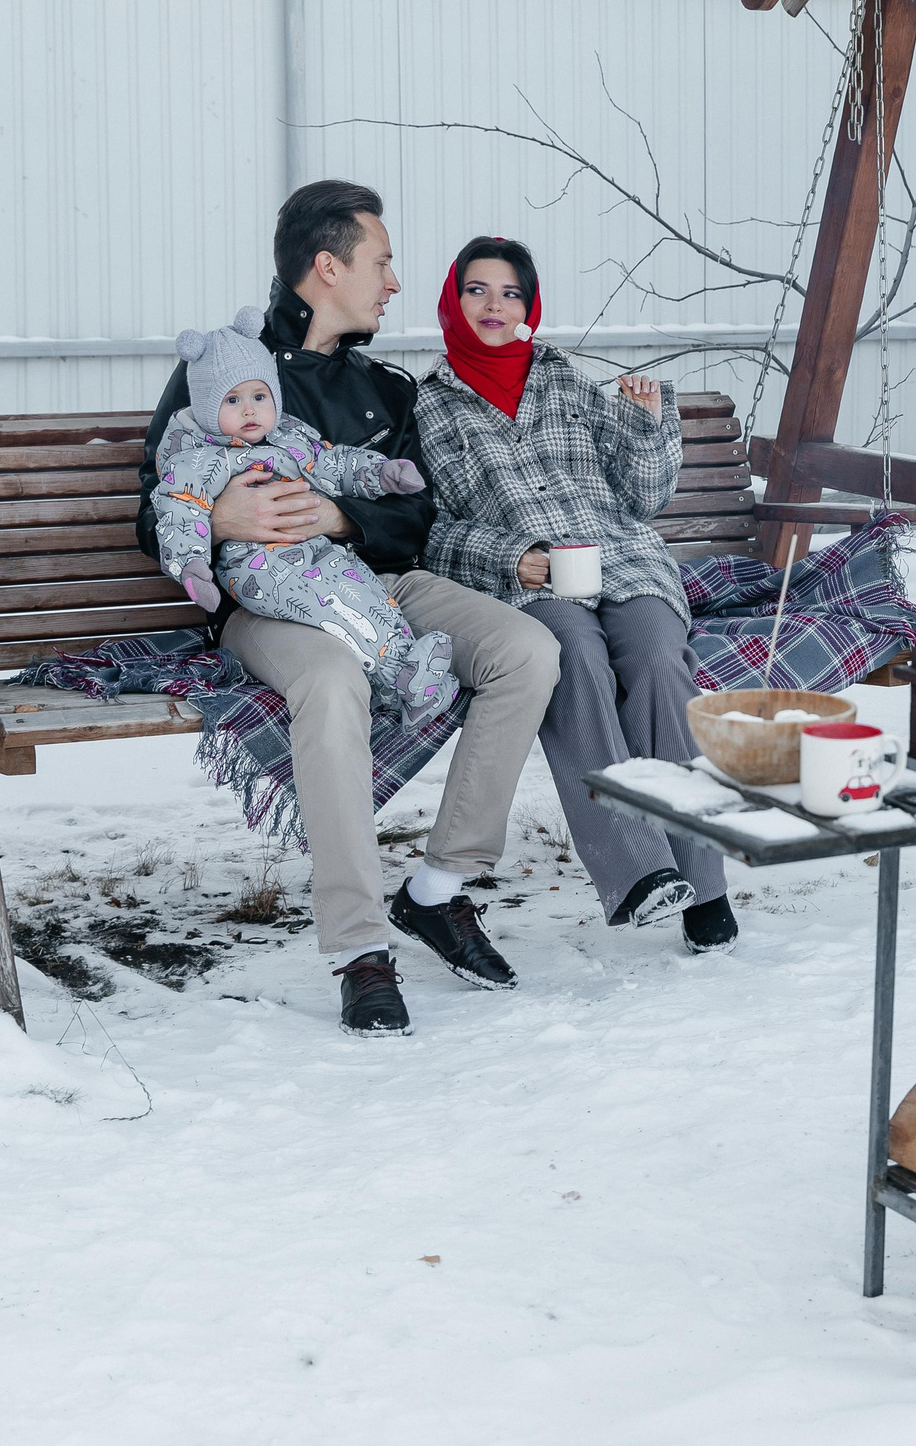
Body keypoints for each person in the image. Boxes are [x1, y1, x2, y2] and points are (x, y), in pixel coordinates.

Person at [135, 183, 562, 1037]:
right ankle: (360, 950)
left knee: (527, 649)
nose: (395, 281)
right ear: (328, 268)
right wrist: (218, 519)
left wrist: (341, 514)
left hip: (384, 585)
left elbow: (420, 513)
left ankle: (438, 890)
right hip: (275, 606)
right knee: (332, 683)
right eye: (382, 261)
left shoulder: (385, 388)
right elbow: (155, 506)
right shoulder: (222, 367)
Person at [413, 235, 739, 955]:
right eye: (477, 290)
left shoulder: (568, 380)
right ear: (452, 299)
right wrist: (513, 557)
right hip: (530, 580)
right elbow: (428, 533)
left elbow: (643, 498)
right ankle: (640, 868)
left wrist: (646, 425)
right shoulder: (429, 406)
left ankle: (703, 879)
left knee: (657, 662)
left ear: (529, 306)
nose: (493, 305)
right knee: (577, 664)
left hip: (622, 560)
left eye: (509, 293)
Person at [151, 307, 455, 723]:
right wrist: (192, 567)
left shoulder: (289, 435)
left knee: (366, 595)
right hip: (255, 565)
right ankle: (401, 677)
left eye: (259, 397)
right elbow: (178, 511)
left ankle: (408, 677)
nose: (249, 411)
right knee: (331, 607)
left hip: (314, 549)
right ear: (205, 406)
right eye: (232, 400)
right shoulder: (198, 460)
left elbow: (331, 464)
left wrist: (380, 473)